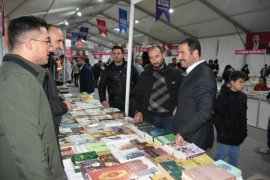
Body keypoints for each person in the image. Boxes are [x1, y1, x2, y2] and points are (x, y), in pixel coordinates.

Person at [0, 16, 66, 179]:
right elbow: (28, 153)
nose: (50, 49)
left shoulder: (25, 76)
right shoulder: (15, 82)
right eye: (46, 41)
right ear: (29, 43)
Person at [174, 38, 217, 150]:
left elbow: (205, 112)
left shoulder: (203, 75)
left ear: (195, 53)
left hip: (195, 138)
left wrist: (183, 132)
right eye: (178, 53)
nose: (179, 57)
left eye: (182, 53)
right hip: (189, 135)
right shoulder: (195, 72)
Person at [133, 46, 181, 133]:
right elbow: (138, 94)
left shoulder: (175, 73)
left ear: (163, 55)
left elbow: (183, 92)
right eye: (151, 58)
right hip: (149, 116)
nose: (154, 61)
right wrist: (138, 111)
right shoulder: (145, 74)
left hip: (169, 118)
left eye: (157, 56)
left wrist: (179, 106)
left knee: (168, 143)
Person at [213, 71, 248, 167]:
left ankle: (232, 175)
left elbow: (243, 116)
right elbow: (216, 116)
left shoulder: (243, 97)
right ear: (232, 82)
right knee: (222, 154)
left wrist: (244, 131)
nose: (243, 85)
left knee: (234, 156)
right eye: (240, 82)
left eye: (244, 82)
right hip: (225, 134)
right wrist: (222, 132)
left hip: (238, 134)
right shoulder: (222, 97)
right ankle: (212, 171)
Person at [45, 24, 72, 136]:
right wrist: (63, 106)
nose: (61, 46)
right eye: (58, 41)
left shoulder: (47, 63)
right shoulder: (37, 67)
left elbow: (49, 91)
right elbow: (40, 105)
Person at [98, 46, 139, 116]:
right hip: (114, 102)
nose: (116, 55)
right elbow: (101, 85)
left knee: (130, 123)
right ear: (111, 55)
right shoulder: (108, 69)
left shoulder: (130, 67)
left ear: (123, 55)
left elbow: (138, 82)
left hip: (129, 102)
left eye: (118, 53)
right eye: (114, 53)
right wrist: (103, 100)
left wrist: (133, 95)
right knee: (115, 123)